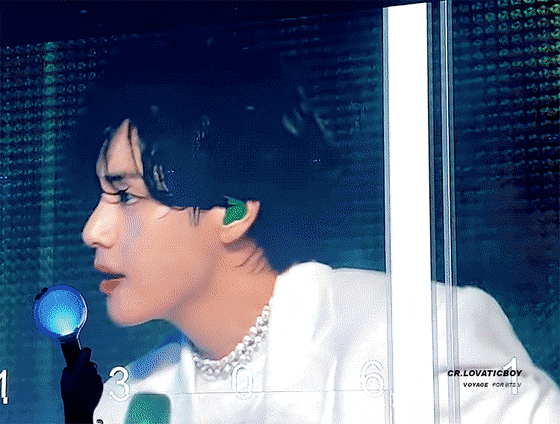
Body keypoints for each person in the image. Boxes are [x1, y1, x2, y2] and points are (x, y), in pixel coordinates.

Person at [61, 32, 560, 423]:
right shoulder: (126, 400)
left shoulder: (424, 335)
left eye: (126, 196)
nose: (93, 230)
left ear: (234, 211)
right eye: (100, 197)